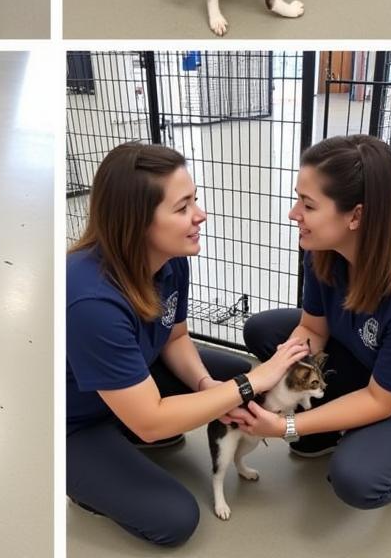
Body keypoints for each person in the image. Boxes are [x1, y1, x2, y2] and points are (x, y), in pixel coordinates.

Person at [66, 142, 309, 546]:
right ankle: (86, 482)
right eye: (182, 208)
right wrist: (251, 382)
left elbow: (174, 337)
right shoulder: (91, 299)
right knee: (175, 519)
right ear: (136, 222)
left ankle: (134, 438)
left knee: (230, 378)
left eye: (194, 199)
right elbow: (150, 419)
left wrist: (205, 386)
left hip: (135, 380)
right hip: (78, 422)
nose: (200, 215)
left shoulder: (170, 258)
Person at [233, 135, 391, 509]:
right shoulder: (323, 252)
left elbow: (381, 399)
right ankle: (335, 427)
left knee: (357, 480)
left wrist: (285, 426)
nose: (294, 213)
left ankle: (364, 437)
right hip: (365, 361)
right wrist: (269, 378)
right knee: (264, 331)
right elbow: (313, 329)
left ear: (356, 215)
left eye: (307, 204)